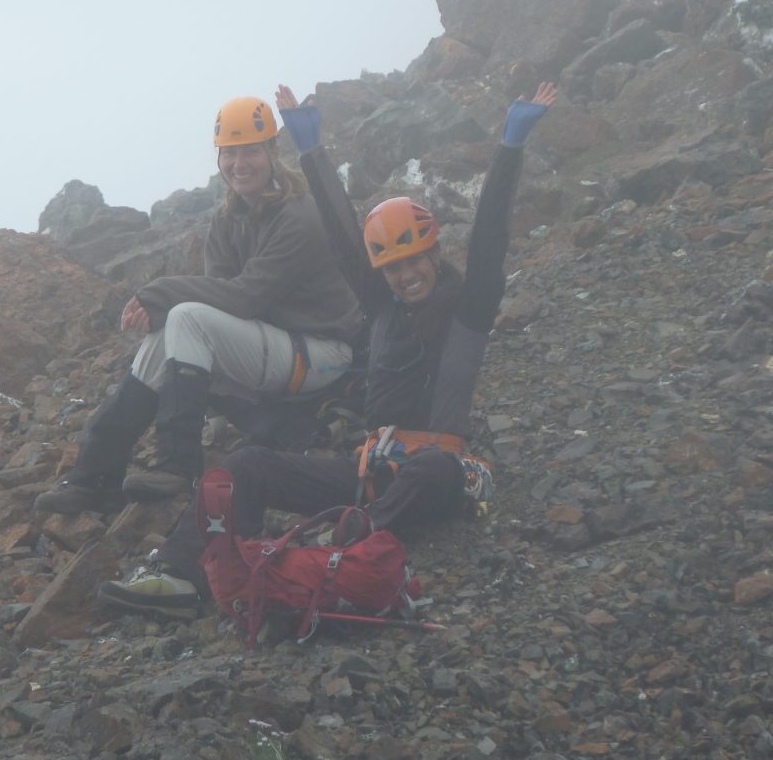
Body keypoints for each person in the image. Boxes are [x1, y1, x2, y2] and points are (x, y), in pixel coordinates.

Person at [98, 82, 557, 618]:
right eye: (393, 266)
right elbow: (344, 235)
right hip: (368, 473)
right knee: (247, 464)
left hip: (434, 476)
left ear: (434, 255)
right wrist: (311, 150)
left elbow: (488, 243)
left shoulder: (469, 311)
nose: (406, 276)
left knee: (436, 470)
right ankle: (185, 573)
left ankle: (340, 546)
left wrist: (510, 148)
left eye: (416, 261)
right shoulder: (381, 310)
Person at [34, 95, 364, 514]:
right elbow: (220, 296)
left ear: (272, 152)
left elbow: (245, 298)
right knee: (169, 330)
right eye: (229, 153)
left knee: (185, 317)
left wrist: (160, 293)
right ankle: (94, 473)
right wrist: (162, 314)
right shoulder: (228, 220)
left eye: (250, 151)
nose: (239, 164)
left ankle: (178, 463)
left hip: (323, 353)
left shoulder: (298, 217)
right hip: (274, 347)